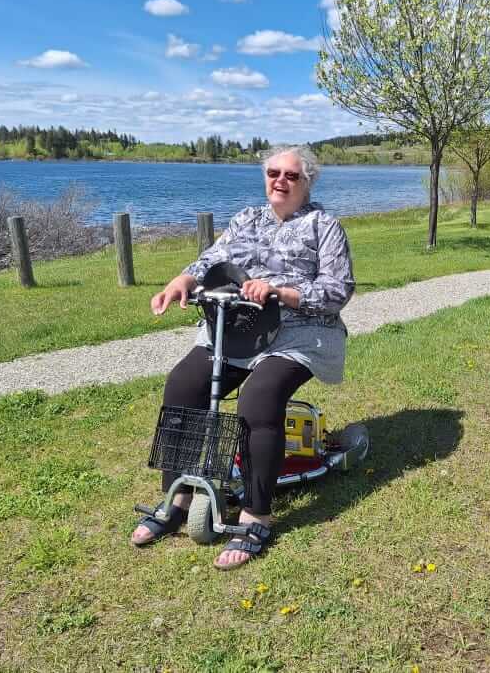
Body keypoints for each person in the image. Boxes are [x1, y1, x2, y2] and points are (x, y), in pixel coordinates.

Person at [130, 146, 355, 570]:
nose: (280, 181)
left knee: (260, 399)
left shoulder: (324, 226)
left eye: (292, 175)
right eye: (273, 172)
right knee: (183, 384)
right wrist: (182, 279)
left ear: (308, 183)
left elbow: (338, 289)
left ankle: (255, 515)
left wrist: (283, 292)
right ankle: (176, 496)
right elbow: (213, 259)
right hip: (238, 328)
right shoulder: (246, 219)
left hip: (300, 332)